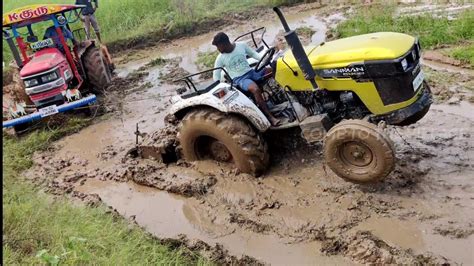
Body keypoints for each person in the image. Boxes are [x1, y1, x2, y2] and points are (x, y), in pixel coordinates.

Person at [212, 32, 281, 126]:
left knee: (274, 68)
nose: (218, 49)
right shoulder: (220, 58)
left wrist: (268, 60)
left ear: (224, 43)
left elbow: (254, 54)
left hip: (252, 72)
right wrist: (219, 86)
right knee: (255, 89)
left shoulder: (241, 45)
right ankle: (270, 117)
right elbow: (216, 74)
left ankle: (285, 93)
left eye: (218, 46)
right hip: (240, 79)